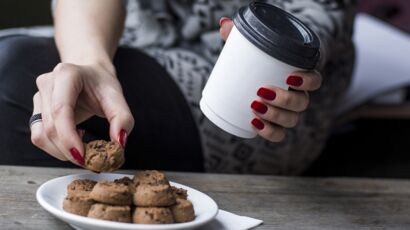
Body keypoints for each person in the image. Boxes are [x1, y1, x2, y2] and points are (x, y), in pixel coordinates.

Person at [0, 0, 356, 174]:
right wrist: (91, 64)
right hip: (125, 36)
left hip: (246, 79)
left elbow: (315, 21)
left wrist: (287, 55)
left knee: (11, 78)